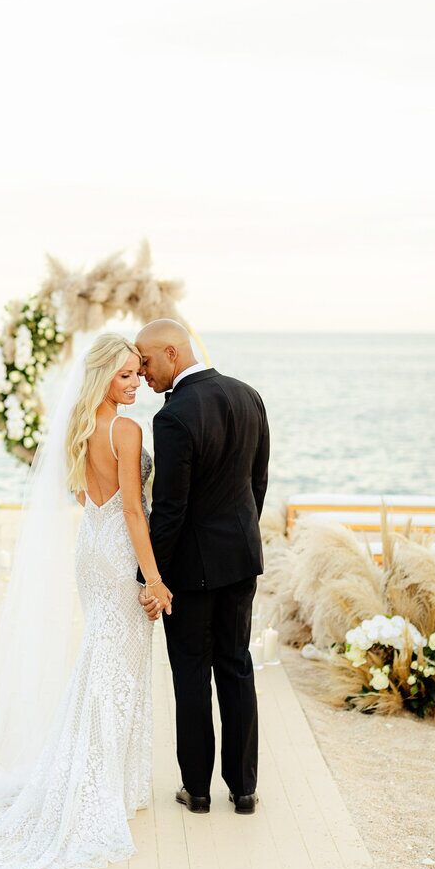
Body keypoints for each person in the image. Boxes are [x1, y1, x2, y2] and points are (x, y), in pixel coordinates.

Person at [0, 333, 168, 869]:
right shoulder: (126, 430)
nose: (135, 384)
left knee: (103, 659)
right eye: (125, 375)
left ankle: (105, 776)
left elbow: (85, 496)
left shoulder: (80, 428)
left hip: (90, 547)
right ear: (105, 376)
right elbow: (134, 512)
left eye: (138, 374)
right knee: (118, 665)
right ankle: (100, 783)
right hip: (118, 550)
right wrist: (153, 579)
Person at [135, 319, 269, 815]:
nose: (143, 373)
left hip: (190, 572)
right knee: (236, 668)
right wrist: (238, 539)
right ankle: (245, 788)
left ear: (172, 353)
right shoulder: (248, 395)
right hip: (240, 562)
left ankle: (197, 791)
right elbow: (258, 484)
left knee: (191, 675)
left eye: (147, 362)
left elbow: (171, 508)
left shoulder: (173, 417)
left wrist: (152, 575)